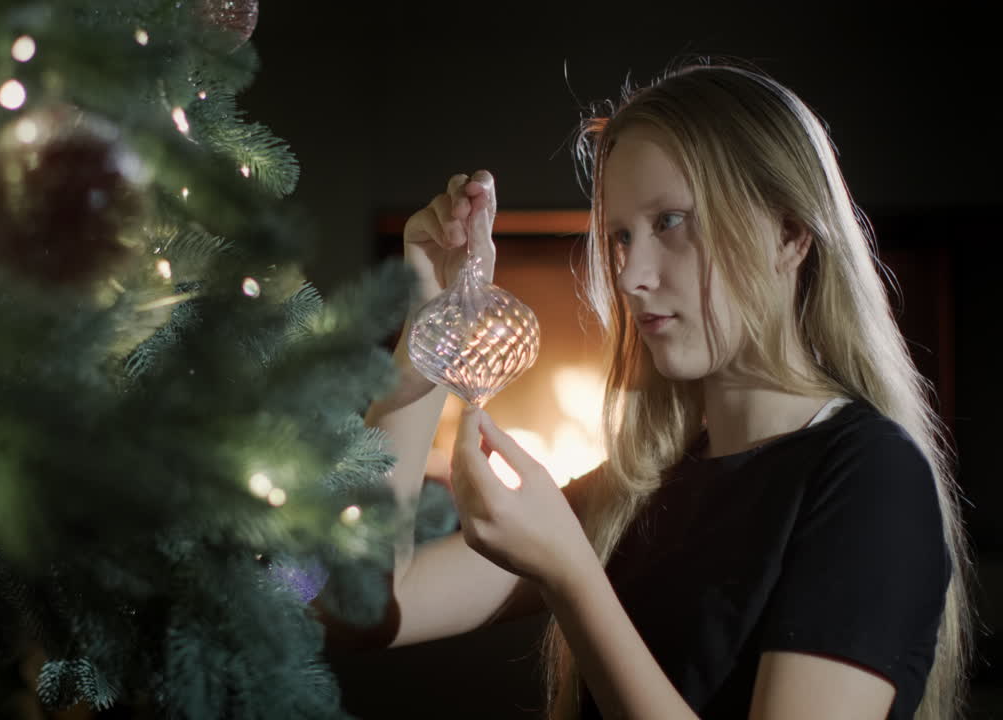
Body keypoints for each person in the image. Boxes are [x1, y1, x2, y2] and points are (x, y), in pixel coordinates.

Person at [313, 60, 971, 720]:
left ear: (789, 235)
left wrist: (573, 575)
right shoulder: (636, 491)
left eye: (672, 222)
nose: (629, 277)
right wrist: (430, 323)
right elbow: (359, 607)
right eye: (621, 236)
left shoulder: (869, 479)